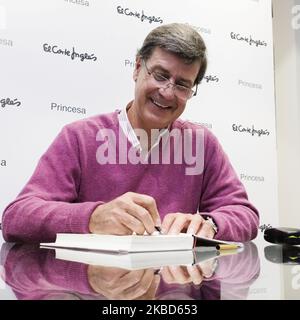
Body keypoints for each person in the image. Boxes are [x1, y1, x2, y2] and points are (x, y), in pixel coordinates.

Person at [1, 23, 259, 243]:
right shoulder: (79, 138)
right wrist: (92, 218)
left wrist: (210, 224)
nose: (168, 92)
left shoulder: (201, 144)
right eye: (160, 75)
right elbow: (17, 217)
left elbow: (244, 214)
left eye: (182, 85)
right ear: (137, 68)